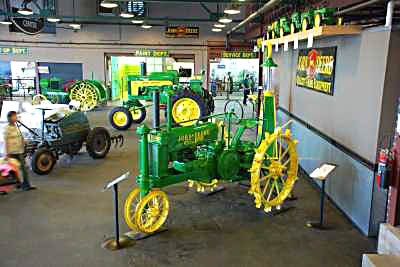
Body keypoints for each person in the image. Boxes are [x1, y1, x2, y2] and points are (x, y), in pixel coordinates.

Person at [4, 111, 36, 191]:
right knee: (15, 169)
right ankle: (20, 184)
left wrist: (24, 141)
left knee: (23, 168)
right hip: (12, 152)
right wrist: (6, 154)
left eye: (16, 116)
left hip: (19, 150)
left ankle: (24, 185)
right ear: (9, 118)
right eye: (14, 116)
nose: (16, 118)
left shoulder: (16, 126)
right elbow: (6, 141)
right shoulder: (7, 128)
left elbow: (19, 136)